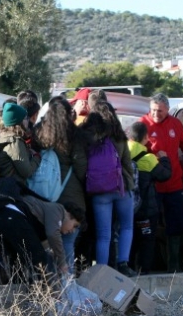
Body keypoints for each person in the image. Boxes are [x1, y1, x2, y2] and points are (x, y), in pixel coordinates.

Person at [32, 96, 89, 274]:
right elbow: (81, 166)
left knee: (47, 245)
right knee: (68, 244)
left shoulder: (39, 132)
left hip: (44, 196)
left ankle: (48, 285)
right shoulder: (73, 134)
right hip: (71, 196)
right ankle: (67, 285)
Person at [139, 93, 183, 272]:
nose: (156, 114)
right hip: (152, 187)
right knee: (150, 227)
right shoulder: (142, 125)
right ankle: (146, 266)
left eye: (160, 111)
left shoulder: (175, 124)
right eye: (154, 110)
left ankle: (174, 267)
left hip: (174, 185)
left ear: (167, 110)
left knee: (176, 226)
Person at [81, 101, 137, 277]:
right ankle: (123, 263)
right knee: (126, 227)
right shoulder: (119, 136)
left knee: (103, 235)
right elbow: (127, 163)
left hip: (98, 191)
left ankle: (102, 271)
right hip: (120, 187)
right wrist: (129, 185)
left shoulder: (88, 138)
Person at [127, 121, 171, 274]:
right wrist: (165, 159)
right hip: (145, 210)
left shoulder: (122, 153)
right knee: (147, 240)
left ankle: (128, 268)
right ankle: (145, 272)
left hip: (126, 209)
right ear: (145, 137)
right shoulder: (148, 158)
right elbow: (165, 175)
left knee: (129, 239)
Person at [21, 194, 85, 277]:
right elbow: (53, 235)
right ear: (69, 215)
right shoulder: (58, 210)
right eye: (75, 226)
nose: (72, 231)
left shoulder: (51, 221)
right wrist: (62, 263)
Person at [0, 102, 40, 185]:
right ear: (19, 122)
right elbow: (27, 172)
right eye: (25, 118)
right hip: (14, 190)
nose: (27, 121)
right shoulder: (15, 142)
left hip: (0, 188)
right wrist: (37, 157)